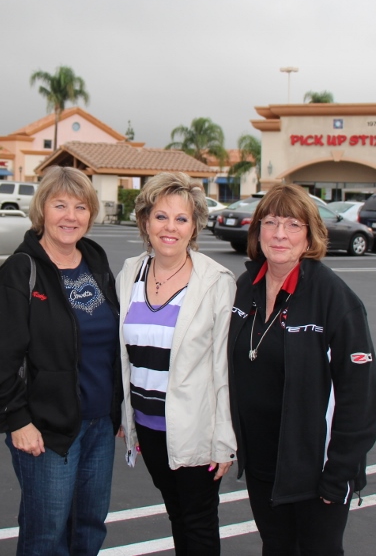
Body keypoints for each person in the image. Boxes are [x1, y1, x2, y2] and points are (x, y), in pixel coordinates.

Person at [0, 166, 122, 556]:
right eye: (60, 205)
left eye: (80, 207)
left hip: (99, 426)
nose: (70, 216)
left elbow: (110, 345)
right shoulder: (20, 271)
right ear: (42, 210)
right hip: (46, 431)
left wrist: (118, 411)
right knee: (47, 535)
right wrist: (18, 420)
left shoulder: (95, 260)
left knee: (89, 527)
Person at [229, 184, 376, 556]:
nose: (280, 234)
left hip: (317, 471)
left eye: (293, 225)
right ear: (258, 230)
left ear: (310, 235)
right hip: (263, 464)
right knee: (276, 548)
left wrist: (338, 475)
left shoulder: (334, 299)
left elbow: (362, 398)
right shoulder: (244, 287)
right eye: (271, 222)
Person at [118, 172, 237, 555]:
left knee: (199, 522)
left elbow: (224, 368)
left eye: (181, 218)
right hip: (149, 428)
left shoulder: (216, 281)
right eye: (161, 216)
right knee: (177, 515)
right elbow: (123, 358)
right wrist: (127, 418)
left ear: (194, 226)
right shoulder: (128, 274)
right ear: (145, 222)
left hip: (195, 430)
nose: (170, 227)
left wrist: (224, 442)